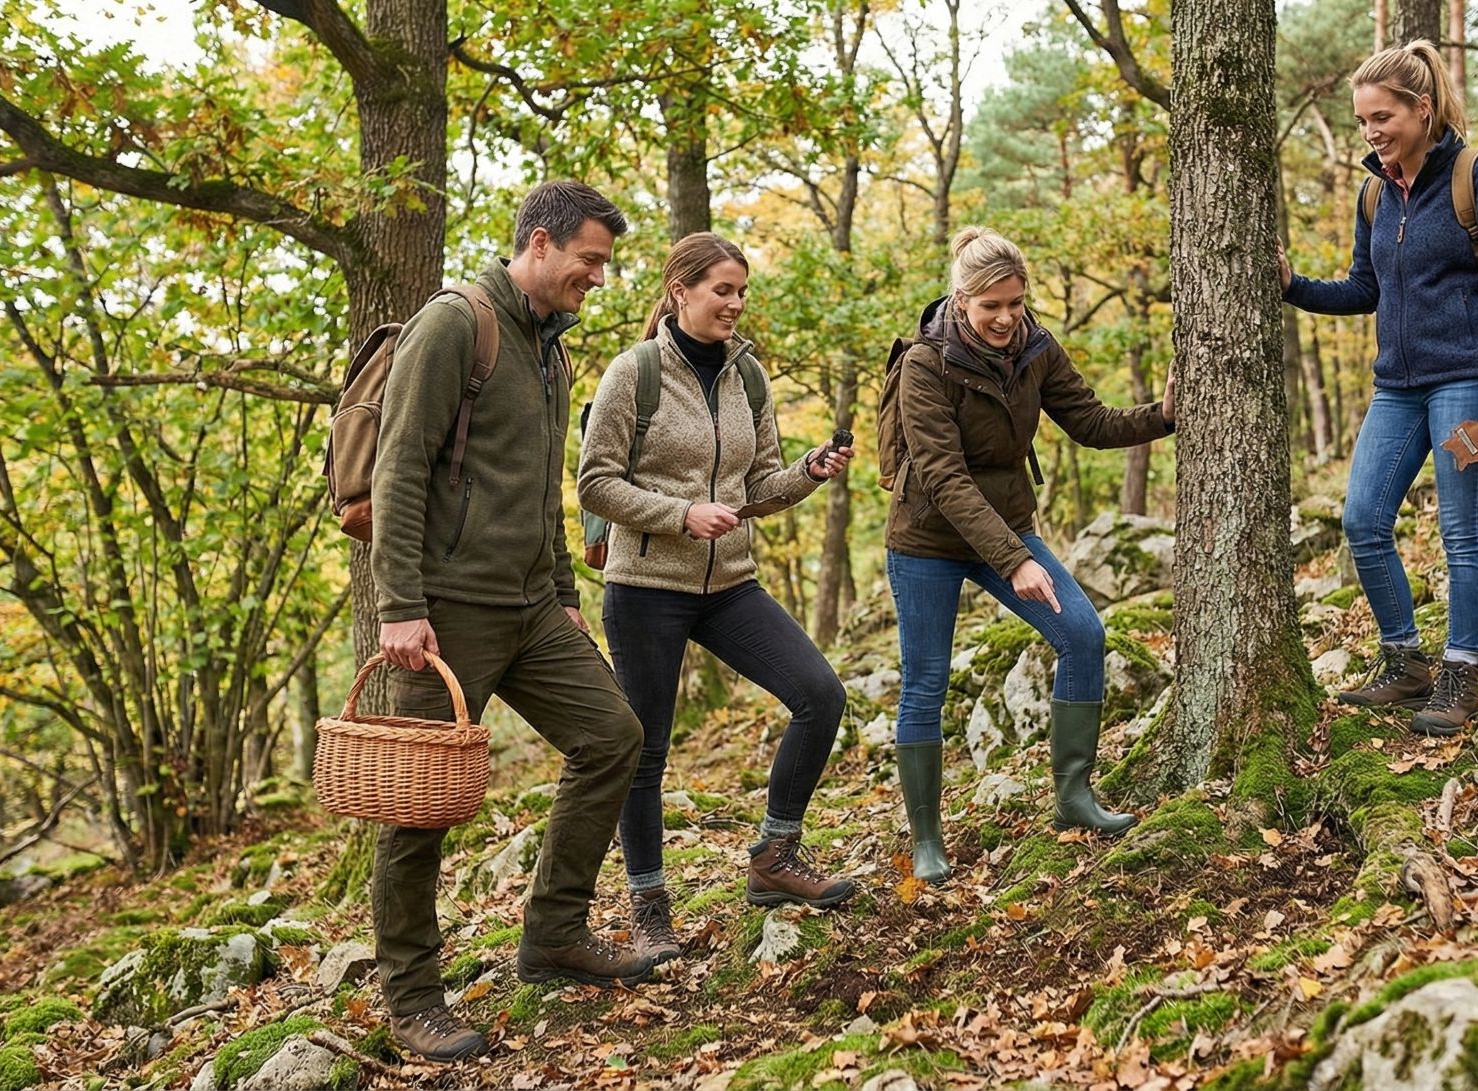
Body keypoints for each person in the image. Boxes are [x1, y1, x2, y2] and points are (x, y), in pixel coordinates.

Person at [369, 180, 653, 1063]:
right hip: (446, 614)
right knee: (418, 812)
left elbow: (543, 489)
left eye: (603, 264)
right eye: (588, 260)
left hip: (533, 606)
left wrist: (563, 586)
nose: (597, 278)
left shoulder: (548, 349)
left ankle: (554, 933)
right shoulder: (456, 324)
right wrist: (400, 606)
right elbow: (399, 467)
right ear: (538, 242)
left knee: (613, 736)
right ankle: (412, 997)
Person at [578, 232, 858, 968]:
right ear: (680, 291)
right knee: (646, 751)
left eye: (741, 292)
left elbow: (759, 489)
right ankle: (648, 904)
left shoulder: (748, 377)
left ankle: (774, 854)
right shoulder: (631, 375)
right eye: (721, 290)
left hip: (730, 583)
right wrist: (679, 514)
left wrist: (809, 469)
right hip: (646, 589)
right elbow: (595, 483)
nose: (734, 304)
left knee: (820, 694)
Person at [885, 226, 1175, 885]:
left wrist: (1163, 414)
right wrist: (1015, 559)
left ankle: (1074, 796)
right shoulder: (925, 363)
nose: (1006, 317)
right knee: (925, 680)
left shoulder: (1035, 349)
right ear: (962, 301)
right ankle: (927, 838)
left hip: (1005, 529)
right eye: (991, 305)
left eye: (1015, 303)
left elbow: (1092, 422)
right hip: (928, 538)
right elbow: (942, 476)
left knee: (1084, 633)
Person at [1277, 40, 1478, 737]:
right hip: (1396, 389)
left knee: (1460, 528)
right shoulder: (1374, 193)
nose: (1372, 132)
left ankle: (1459, 671)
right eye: (1363, 120)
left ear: (1423, 110)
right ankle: (1404, 660)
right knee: (1362, 519)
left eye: (1383, 117)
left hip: (1467, 386)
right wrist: (1294, 286)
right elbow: (1366, 287)